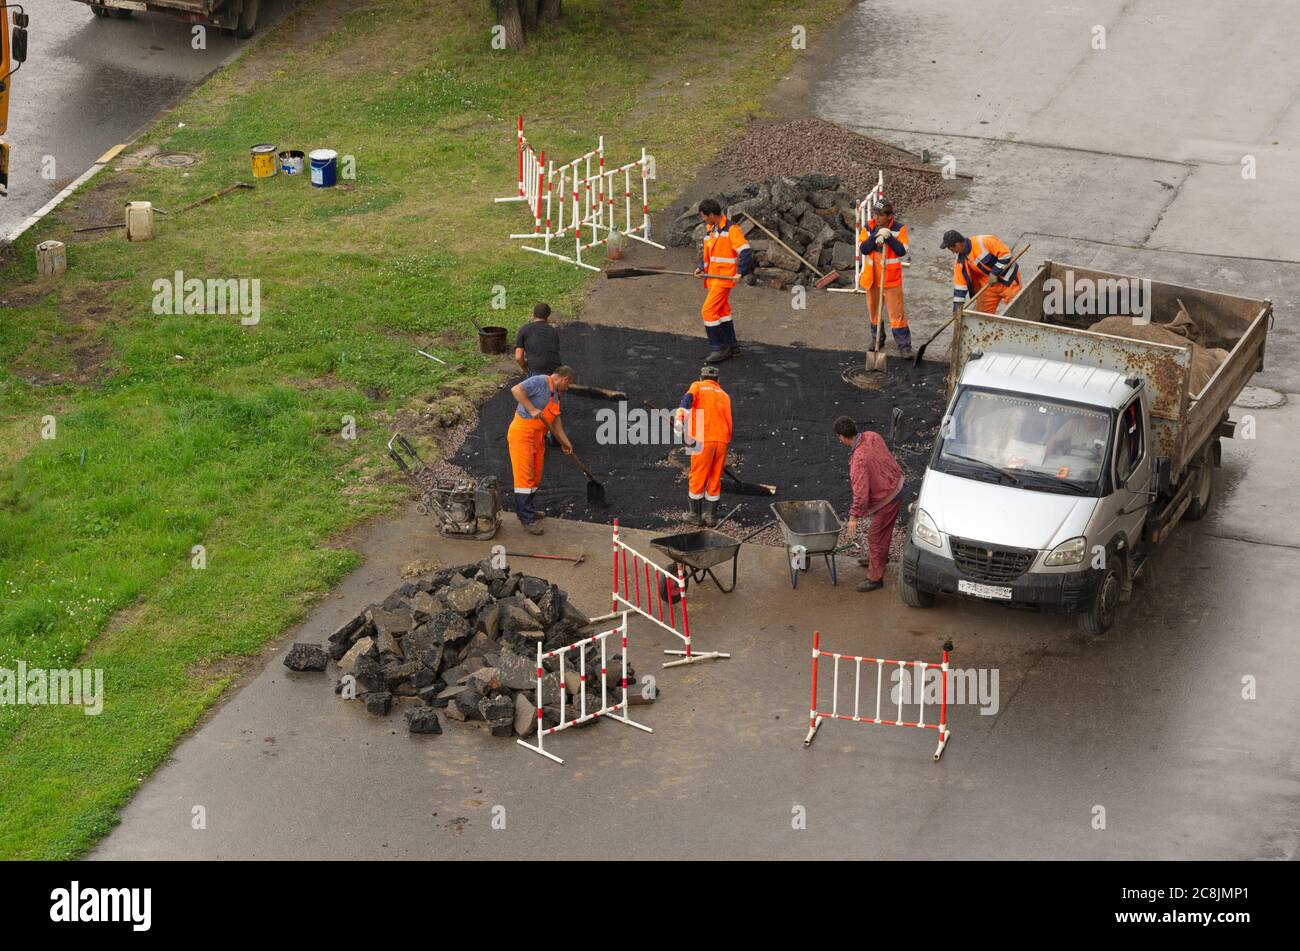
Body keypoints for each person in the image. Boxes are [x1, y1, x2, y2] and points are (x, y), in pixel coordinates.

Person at [835, 415, 905, 593]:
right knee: (883, 531)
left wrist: (853, 516)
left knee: (875, 536)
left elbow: (861, 495)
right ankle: (879, 559)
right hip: (897, 485)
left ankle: (875, 578)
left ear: (842, 437)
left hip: (887, 497)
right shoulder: (872, 435)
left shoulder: (858, 460)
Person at [507, 366, 574, 535]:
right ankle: (526, 519)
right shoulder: (540, 381)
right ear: (565, 379)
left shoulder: (556, 395)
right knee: (525, 477)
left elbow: (555, 420)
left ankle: (528, 509)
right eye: (568, 385)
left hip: (538, 437)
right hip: (522, 435)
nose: (567, 389)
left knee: (535, 475)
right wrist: (531, 409)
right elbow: (516, 389)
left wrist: (565, 443)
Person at [693, 198, 753, 364]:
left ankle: (719, 348)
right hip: (713, 278)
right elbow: (709, 254)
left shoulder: (732, 230)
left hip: (723, 279)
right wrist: (702, 269)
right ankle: (732, 346)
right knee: (722, 311)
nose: (703, 219)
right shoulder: (711, 230)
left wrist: (740, 272)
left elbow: (745, 251)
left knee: (708, 311)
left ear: (712, 215)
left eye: (704, 216)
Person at [674, 365, 733, 526]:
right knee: (715, 478)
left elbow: (687, 400)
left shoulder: (697, 386)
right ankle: (711, 517)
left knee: (697, 476)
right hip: (721, 441)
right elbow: (728, 421)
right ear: (718, 380)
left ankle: (694, 515)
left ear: (701, 377)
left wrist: (679, 420)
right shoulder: (725, 395)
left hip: (702, 439)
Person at [857, 199, 911, 353]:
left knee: (897, 313)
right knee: (874, 311)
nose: (877, 218)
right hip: (872, 278)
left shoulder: (899, 229)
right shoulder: (869, 227)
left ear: (889, 216)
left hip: (891, 278)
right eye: (876, 214)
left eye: (880, 215)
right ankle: (877, 339)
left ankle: (904, 345)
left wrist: (889, 237)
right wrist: (875, 235)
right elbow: (864, 249)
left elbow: (901, 251)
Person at [940, 229, 1021, 317]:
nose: (952, 251)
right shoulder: (960, 261)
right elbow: (960, 285)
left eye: (951, 248)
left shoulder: (985, 241)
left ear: (958, 244)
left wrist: (994, 273)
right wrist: (957, 308)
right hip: (988, 286)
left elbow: (1006, 255)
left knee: (1017, 313)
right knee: (981, 318)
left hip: (1009, 282)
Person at [514, 302, 562, 377]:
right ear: (548, 316)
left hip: (536, 369)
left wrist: (526, 371)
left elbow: (518, 357)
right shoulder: (553, 331)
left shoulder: (524, 330)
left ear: (533, 314)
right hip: (555, 370)